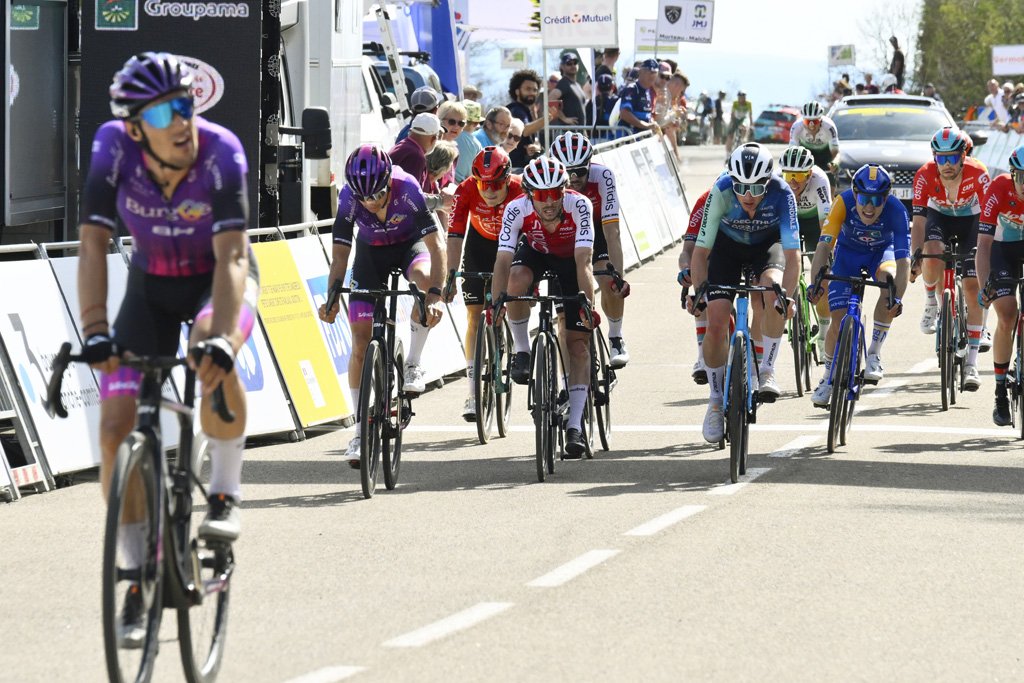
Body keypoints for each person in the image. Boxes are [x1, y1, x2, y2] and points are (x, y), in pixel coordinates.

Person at [79, 53, 260, 643]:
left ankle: (226, 494)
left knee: (212, 351)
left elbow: (234, 255)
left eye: (185, 103)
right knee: (113, 431)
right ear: (134, 126)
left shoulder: (222, 150)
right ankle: (136, 578)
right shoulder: (112, 149)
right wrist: (96, 329)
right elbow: (92, 243)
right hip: (151, 288)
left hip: (218, 281)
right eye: (163, 110)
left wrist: (227, 342)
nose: (180, 119)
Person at [320, 146, 447, 466]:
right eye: (363, 197)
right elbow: (339, 255)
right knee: (360, 344)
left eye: (376, 194)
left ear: (389, 181)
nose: (370, 202)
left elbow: (437, 247)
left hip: (409, 247)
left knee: (420, 278)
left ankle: (413, 362)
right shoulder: (350, 196)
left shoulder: (408, 189)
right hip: (371, 254)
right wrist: (332, 295)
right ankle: (360, 431)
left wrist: (435, 295)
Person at [689, 143, 800, 442]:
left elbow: (793, 257)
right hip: (727, 250)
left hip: (767, 247)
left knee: (772, 291)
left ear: (768, 182)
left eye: (755, 189)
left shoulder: (782, 193)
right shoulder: (722, 190)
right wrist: (699, 291)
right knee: (714, 321)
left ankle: (767, 370)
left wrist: (786, 297)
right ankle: (714, 401)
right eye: (741, 187)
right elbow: (700, 253)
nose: (748, 196)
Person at [490, 156, 597, 458]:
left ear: (564, 191)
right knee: (515, 280)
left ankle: (575, 425)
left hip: (571, 259)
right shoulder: (516, 209)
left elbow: (584, 261)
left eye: (554, 194)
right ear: (528, 194)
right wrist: (499, 301)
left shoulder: (579, 206)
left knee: (578, 345)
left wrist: (586, 304)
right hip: (536, 252)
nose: (548, 202)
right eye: (540, 195)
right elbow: (502, 260)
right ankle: (522, 350)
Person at [807, 164, 909, 405]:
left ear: (887, 198)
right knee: (837, 322)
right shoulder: (841, 202)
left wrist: (897, 298)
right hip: (848, 255)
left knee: (889, 282)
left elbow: (903, 261)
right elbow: (823, 247)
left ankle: (873, 352)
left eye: (877, 199)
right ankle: (828, 377)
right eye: (864, 198)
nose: (869, 206)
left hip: (881, 254)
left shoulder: (896, 210)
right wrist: (816, 284)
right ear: (855, 195)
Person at [444, 146, 525, 420]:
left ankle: (511, 343)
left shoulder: (520, 189)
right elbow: (455, 235)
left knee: (510, 298)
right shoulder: (465, 190)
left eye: (495, 184)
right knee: (474, 317)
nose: (488, 191)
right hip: (479, 247)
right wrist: (450, 274)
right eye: (482, 184)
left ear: (507, 179)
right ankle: (471, 391)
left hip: (513, 246)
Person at [912, 127, 991, 390]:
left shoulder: (978, 173)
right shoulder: (924, 175)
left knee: (971, 285)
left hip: (972, 222)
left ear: (963, 155)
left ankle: (971, 363)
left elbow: (990, 220)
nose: (946, 164)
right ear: (934, 157)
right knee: (931, 251)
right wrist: (916, 256)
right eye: (941, 158)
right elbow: (919, 221)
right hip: (940, 219)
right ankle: (931, 301)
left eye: (952, 158)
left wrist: (986, 254)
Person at [549, 131, 631, 367]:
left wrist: (618, 276)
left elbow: (612, 232)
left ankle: (616, 336)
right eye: (568, 172)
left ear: (589, 165)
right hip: (562, 236)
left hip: (595, 231)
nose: (574, 178)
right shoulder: (548, 179)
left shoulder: (603, 176)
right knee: (564, 316)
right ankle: (567, 382)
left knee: (608, 282)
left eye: (580, 172)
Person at [976, 145, 1024, 426]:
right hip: (1002, 250)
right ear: (1012, 175)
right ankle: (999, 393)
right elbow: (983, 246)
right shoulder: (998, 189)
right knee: (1006, 314)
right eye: (1022, 178)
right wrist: (985, 286)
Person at [778, 146, 833, 353]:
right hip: (788, 222)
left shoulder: (820, 181)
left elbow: (825, 224)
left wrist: (825, 252)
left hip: (812, 224)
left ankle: (824, 332)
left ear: (809, 174)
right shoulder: (778, 180)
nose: (792, 181)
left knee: (823, 276)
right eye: (789, 174)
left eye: (799, 175)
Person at [789, 101, 840, 182]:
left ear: (820, 120)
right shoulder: (796, 127)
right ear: (803, 120)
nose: (811, 126)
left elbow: (836, 151)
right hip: (805, 154)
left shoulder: (829, 126)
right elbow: (792, 152)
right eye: (807, 122)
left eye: (815, 122)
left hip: (825, 155)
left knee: (831, 183)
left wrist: (834, 163)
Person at [389, 112, 441, 190]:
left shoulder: (403, 145)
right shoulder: (416, 156)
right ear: (433, 138)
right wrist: (440, 200)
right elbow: (410, 196)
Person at [506, 69, 545, 169]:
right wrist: (548, 118)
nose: (532, 92)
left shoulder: (525, 110)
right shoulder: (516, 110)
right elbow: (524, 130)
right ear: (517, 91)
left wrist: (537, 148)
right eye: (528, 89)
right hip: (516, 168)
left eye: (535, 90)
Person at [617, 59, 661, 136]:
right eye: (649, 72)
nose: (652, 76)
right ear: (640, 72)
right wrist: (645, 125)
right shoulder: (632, 89)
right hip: (628, 139)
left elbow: (646, 114)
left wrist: (652, 123)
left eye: (655, 73)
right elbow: (624, 114)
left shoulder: (649, 91)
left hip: (641, 139)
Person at [551, 53, 586, 126]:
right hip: (567, 132)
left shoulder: (577, 84)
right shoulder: (564, 83)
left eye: (575, 63)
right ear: (562, 66)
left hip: (579, 131)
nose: (573, 66)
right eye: (569, 63)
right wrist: (564, 119)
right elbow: (551, 99)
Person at [454, 101, 484, 182]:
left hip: (445, 181)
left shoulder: (449, 134)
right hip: (462, 186)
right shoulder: (477, 145)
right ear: (476, 123)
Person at [725, 91, 754, 157]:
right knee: (730, 135)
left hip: (744, 118)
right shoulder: (735, 103)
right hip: (736, 119)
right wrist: (732, 122)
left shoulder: (748, 103)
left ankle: (743, 140)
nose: (741, 99)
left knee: (744, 126)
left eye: (743, 97)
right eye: (740, 97)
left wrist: (751, 124)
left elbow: (750, 115)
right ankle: (728, 153)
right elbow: (732, 113)